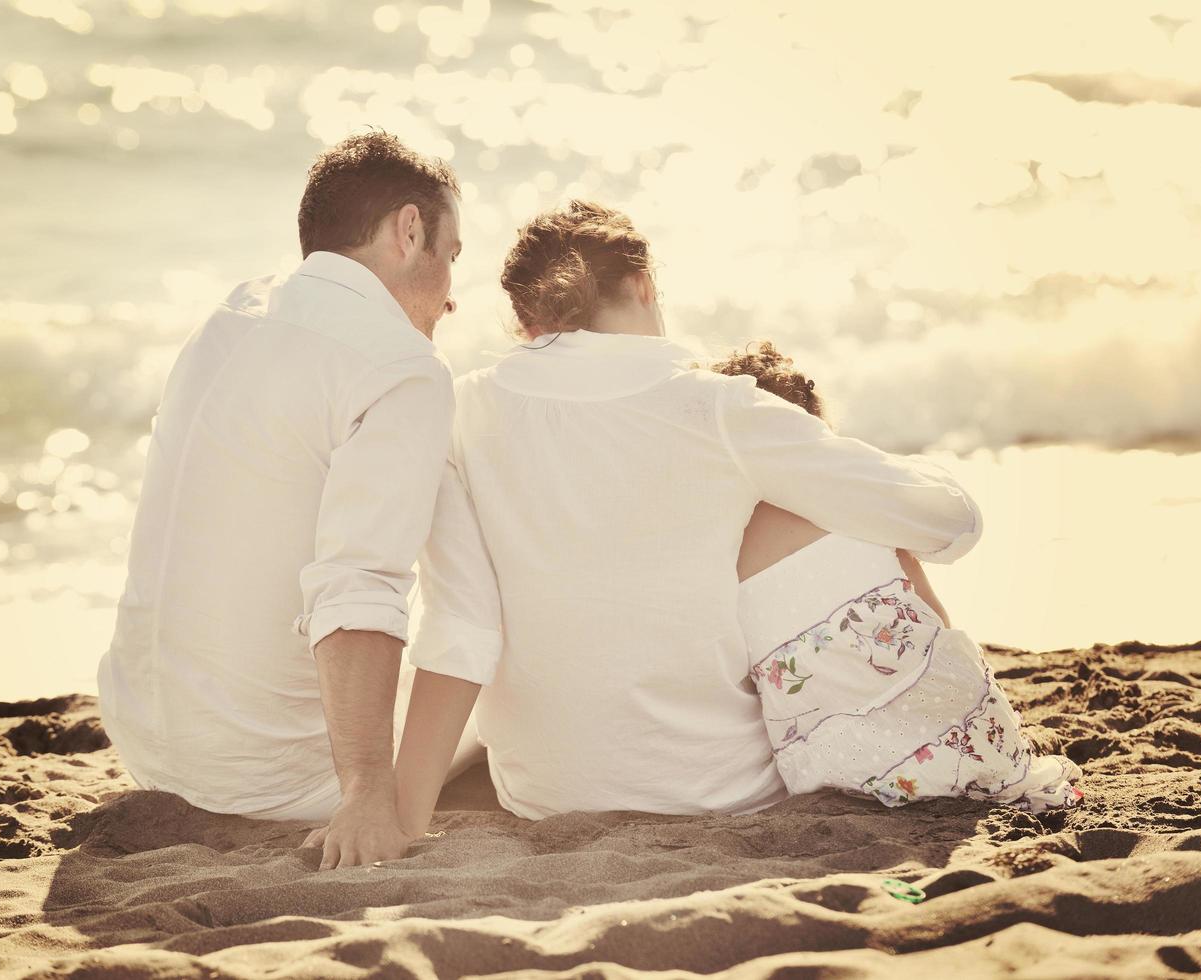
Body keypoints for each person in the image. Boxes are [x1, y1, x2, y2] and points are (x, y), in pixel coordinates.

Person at [391, 200, 984, 835]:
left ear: (526, 319)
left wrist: (397, 809)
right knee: (831, 514)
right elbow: (949, 522)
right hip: (719, 791)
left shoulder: (460, 409)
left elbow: (459, 619)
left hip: (541, 794)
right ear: (643, 285)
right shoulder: (718, 407)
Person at [96, 131, 463, 869]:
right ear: (410, 230)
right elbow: (359, 583)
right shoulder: (400, 366)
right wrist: (365, 792)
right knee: (497, 633)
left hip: (146, 742)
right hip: (271, 775)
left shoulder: (231, 316)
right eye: (452, 256)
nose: (453, 297)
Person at [713, 342, 1084, 811]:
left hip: (834, 765)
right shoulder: (854, 500)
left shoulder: (723, 536)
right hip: (947, 727)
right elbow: (934, 614)